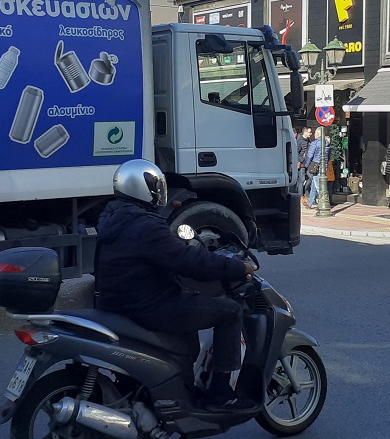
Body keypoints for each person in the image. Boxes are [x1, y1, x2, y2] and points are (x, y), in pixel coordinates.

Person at [94, 160, 256, 411]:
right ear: (143, 189)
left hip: (117, 301)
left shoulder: (112, 217)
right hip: (147, 304)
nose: (160, 191)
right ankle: (220, 393)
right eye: (156, 186)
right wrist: (235, 268)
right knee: (230, 312)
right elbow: (188, 261)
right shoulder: (146, 225)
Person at [303, 136, 330, 209]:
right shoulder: (327, 144)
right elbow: (328, 157)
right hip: (324, 166)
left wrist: (306, 165)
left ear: (318, 134)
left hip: (316, 166)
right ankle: (309, 203)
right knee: (314, 185)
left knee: (318, 186)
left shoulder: (316, 143)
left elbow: (310, 155)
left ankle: (322, 204)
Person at [295, 127, 313, 196]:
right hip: (302, 163)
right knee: (302, 179)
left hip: (308, 162)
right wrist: (301, 160)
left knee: (311, 177)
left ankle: (305, 190)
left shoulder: (308, 140)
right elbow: (296, 152)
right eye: (309, 132)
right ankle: (300, 195)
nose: (311, 134)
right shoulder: (299, 141)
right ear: (305, 132)